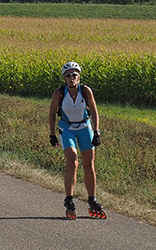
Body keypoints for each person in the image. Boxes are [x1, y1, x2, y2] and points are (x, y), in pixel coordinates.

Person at [48, 61, 106, 220]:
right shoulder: (59, 93)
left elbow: (94, 111)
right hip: (66, 128)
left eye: (74, 75)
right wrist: (52, 134)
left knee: (89, 163)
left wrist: (96, 131)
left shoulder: (86, 91)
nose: (71, 78)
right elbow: (52, 113)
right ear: (64, 79)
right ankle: (69, 199)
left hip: (84, 127)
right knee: (73, 161)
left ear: (79, 77)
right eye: (68, 76)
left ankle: (92, 199)